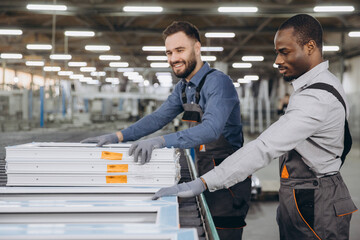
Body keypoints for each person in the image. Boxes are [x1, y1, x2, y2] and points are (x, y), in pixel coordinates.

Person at [153, 14, 358, 240]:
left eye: (284, 51)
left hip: (316, 202)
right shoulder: (320, 84)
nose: (277, 60)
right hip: (304, 193)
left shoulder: (317, 97)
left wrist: (203, 182)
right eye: (277, 52)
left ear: (310, 46)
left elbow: (264, 147)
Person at [81, 21, 251, 239]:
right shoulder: (184, 88)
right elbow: (158, 117)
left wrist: (161, 141)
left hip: (228, 181)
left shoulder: (218, 83)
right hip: (205, 170)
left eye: (180, 50)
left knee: (221, 232)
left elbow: (211, 130)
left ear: (197, 48)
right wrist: (118, 136)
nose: (173, 59)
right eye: (169, 53)